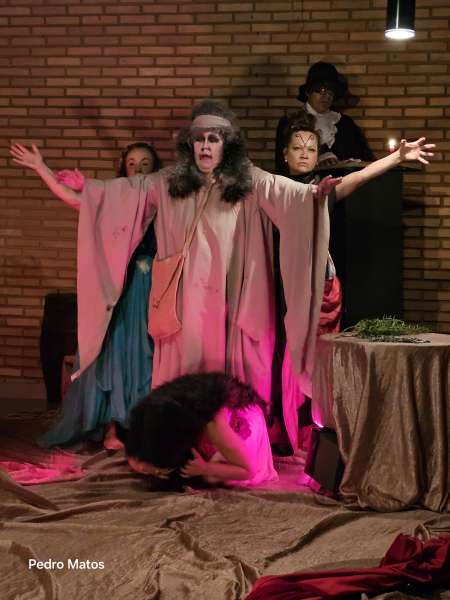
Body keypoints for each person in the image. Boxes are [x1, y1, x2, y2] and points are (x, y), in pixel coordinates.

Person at [10, 99, 351, 454]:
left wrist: (349, 181)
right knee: (185, 377)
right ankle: (178, 449)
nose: (205, 145)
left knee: (230, 381)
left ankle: (231, 452)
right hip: (184, 308)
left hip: (232, 308)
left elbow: (305, 199)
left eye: (214, 139)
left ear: (227, 144)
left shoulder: (250, 180)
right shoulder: (166, 183)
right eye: (199, 138)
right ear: (190, 143)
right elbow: (94, 204)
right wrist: (43, 171)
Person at [275, 109, 434, 450]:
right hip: (282, 287)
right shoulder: (270, 189)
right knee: (281, 359)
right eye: (297, 148)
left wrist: (396, 158)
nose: (304, 154)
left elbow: (358, 178)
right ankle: (285, 430)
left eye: (311, 149)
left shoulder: (321, 190)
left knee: (315, 363)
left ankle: (312, 436)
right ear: (285, 154)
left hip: (320, 289)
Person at [27, 142, 161, 449]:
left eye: (145, 163)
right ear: (123, 168)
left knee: (148, 355)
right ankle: (112, 427)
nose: (138, 169)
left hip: (154, 289)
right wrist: (40, 167)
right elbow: (73, 198)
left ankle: (142, 427)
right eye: (132, 163)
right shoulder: (113, 201)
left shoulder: (163, 200)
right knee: (113, 351)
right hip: (121, 289)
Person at [126, 371, 278, 489]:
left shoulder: (214, 423)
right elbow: (134, 458)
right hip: (202, 414)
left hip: (242, 421)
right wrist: (152, 469)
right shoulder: (147, 416)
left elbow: (249, 471)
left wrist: (206, 469)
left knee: (211, 476)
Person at [275, 61, 374, 174]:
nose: (326, 97)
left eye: (331, 92)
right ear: (308, 92)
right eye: (321, 90)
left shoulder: (345, 123)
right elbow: (283, 165)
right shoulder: (290, 122)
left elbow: (365, 158)